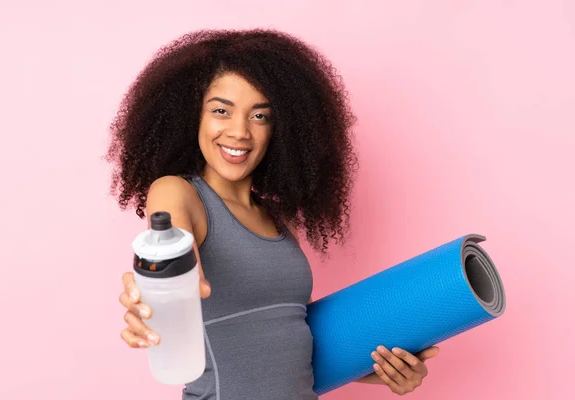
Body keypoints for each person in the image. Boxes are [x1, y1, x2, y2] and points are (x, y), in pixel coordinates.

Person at [106, 28, 440, 399]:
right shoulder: (178, 193)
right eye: (221, 111)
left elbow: (288, 344)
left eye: (260, 116)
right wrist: (151, 297)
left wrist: (379, 369)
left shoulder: (282, 220)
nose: (239, 132)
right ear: (192, 118)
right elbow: (169, 260)